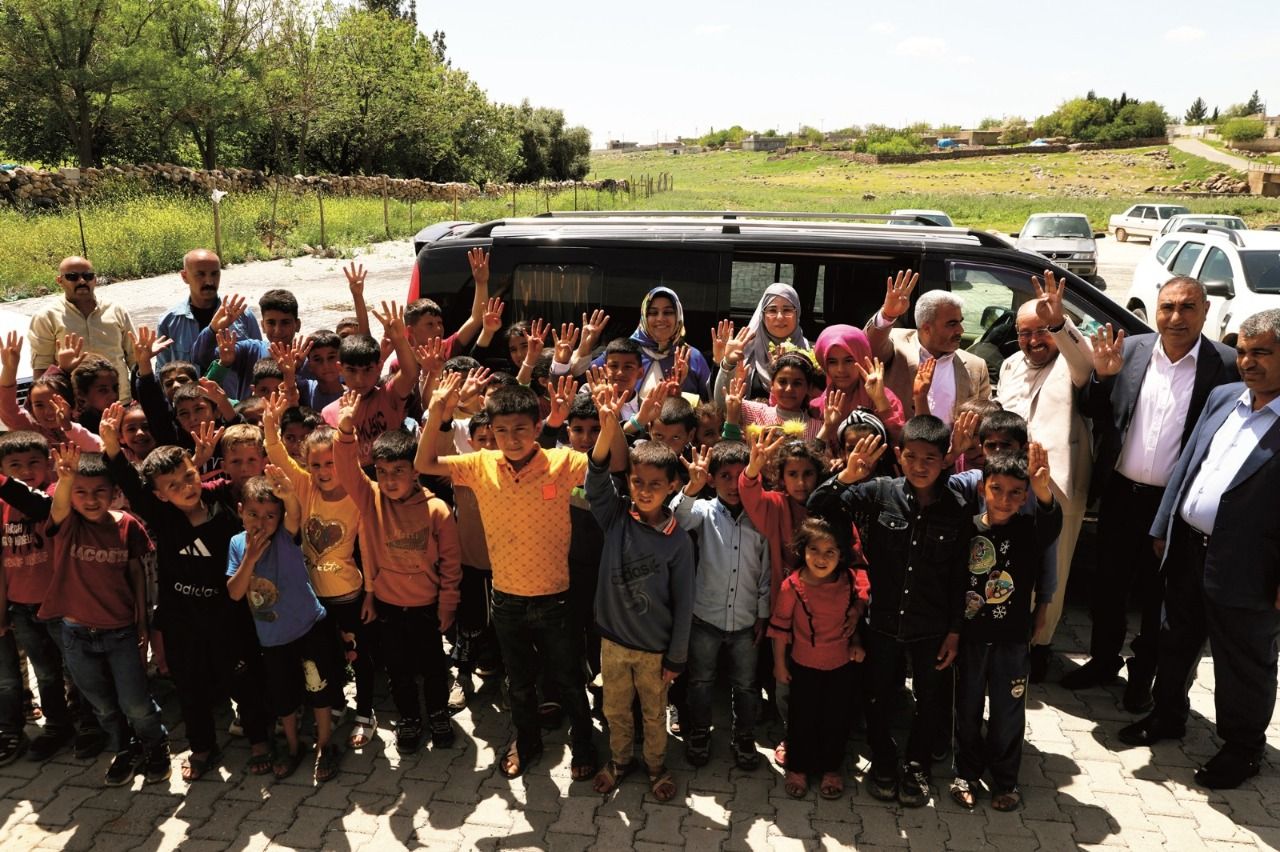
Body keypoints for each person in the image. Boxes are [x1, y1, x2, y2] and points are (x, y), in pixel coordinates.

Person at [1119, 309, 1280, 790]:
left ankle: (1242, 748)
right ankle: (1168, 716)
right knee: (1175, 640)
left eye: (1263, 354)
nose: (1248, 363)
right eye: (1245, 352)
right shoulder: (1224, 397)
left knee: (1243, 662)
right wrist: (1162, 525)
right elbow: (1188, 464)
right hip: (1187, 548)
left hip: (1251, 566)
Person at [1066, 277, 1237, 712]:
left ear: (1204, 311)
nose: (1176, 317)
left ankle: (1143, 677)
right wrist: (1102, 379)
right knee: (1108, 584)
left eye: (1187, 307)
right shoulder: (1133, 350)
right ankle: (1103, 661)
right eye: (1167, 307)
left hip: (1174, 504)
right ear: (1155, 310)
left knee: (1159, 594)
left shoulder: (1227, 365)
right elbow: (1095, 410)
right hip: (1122, 493)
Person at [415, 382, 598, 782]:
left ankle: (584, 742)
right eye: (501, 431)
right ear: (491, 432)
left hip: (558, 599)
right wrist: (436, 411)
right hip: (507, 599)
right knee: (518, 683)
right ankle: (527, 740)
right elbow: (425, 461)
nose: (511, 439)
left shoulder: (562, 462)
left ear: (538, 426)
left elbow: (608, 464)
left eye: (520, 429)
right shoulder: (480, 465)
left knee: (567, 680)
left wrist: (618, 417)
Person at [98, 406, 273, 781]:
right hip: (182, 619)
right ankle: (202, 747)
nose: (186, 487)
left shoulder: (223, 496)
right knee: (191, 687)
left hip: (229, 614)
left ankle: (259, 740)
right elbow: (130, 483)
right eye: (173, 486)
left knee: (244, 680)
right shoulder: (160, 514)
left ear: (199, 471)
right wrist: (112, 448)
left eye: (189, 476)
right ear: (159, 496)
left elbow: (247, 479)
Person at [807, 416, 969, 808]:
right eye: (911, 456)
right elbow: (817, 508)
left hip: (930, 624)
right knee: (877, 696)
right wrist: (846, 476)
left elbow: (961, 575)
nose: (919, 466)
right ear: (899, 455)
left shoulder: (958, 507)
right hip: (880, 621)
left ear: (945, 459)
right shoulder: (879, 492)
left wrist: (954, 630)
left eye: (930, 458)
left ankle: (916, 766)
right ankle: (882, 759)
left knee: (929, 701)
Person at [37, 446, 170, 787]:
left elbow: (138, 574)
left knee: (135, 701)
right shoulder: (68, 525)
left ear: (114, 493)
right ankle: (123, 748)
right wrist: (66, 479)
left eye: (100, 492)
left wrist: (142, 621)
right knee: (103, 705)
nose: (90, 499)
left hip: (121, 632)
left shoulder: (127, 526)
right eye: (81, 492)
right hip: (76, 634)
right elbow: (60, 505)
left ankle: (156, 746)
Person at [337, 392, 461, 754]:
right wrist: (346, 430)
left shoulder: (437, 510)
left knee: (434, 667)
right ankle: (409, 719)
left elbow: (451, 565)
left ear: (415, 470)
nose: (389, 480)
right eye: (382, 472)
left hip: (427, 607)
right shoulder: (370, 497)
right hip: (388, 606)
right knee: (398, 670)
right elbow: (346, 469)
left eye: (398, 472)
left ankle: (438, 714)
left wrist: (447, 606)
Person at [586, 388, 694, 800]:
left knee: (653, 715)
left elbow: (684, 604)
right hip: (613, 644)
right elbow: (595, 480)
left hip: (654, 650)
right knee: (615, 710)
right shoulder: (616, 518)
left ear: (672, 487)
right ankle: (618, 761)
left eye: (655, 484)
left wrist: (676, 657)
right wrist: (609, 423)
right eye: (637, 482)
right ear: (628, 482)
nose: (645, 491)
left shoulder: (678, 541)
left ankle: (656, 767)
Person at [262, 394, 377, 750]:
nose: (324, 472)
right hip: (314, 600)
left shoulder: (361, 493)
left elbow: (370, 548)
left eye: (331, 463)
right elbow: (278, 455)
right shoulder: (306, 486)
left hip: (349, 596)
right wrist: (269, 427)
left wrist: (371, 592)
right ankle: (339, 705)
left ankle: (366, 712)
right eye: (316, 465)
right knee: (328, 658)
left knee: (359, 657)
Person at [995, 271, 1094, 681]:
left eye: (1042, 332)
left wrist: (1059, 323)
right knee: (1013, 562)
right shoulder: (1011, 365)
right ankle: (1012, 637)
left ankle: (1042, 646)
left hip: (1058, 483)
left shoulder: (1073, 361)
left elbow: (1084, 360)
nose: (1033, 341)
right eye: (1024, 333)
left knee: (1054, 567)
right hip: (1012, 483)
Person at [951, 448, 1060, 812]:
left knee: (1007, 713)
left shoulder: (1029, 531)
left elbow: (1052, 523)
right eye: (997, 489)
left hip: (1013, 641)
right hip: (970, 639)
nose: (1005, 499)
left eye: (1016, 492)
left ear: (1026, 496)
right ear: (983, 488)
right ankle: (965, 772)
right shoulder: (966, 529)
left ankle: (1005, 779)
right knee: (966, 709)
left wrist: (1044, 488)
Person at [226, 472, 345, 784]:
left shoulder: (285, 535)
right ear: (240, 511)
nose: (261, 522)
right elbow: (235, 592)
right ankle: (293, 747)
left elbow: (295, 513)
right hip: (273, 639)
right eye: (253, 514)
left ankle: (324, 744)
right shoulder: (237, 545)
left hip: (309, 628)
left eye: (270, 516)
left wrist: (290, 494)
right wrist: (249, 559)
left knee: (318, 690)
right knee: (283, 697)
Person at [672, 440, 770, 771]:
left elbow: (767, 571)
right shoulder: (704, 511)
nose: (733, 484)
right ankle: (700, 733)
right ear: (713, 480)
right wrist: (692, 487)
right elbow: (674, 518)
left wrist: (763, 614)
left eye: (740, 476)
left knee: (745, 684)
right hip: (706, 618)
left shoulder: (761, 518)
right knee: (700, 681)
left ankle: (744, 737)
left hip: (745, 622)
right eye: (725, 476)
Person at [769, 516, 866, 800]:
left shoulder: (848, 582)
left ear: (841, 555)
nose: (821, 559)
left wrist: (857, 642)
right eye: (814, 550)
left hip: (841, 666)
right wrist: (778, 663)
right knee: (802, 720)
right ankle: (797, 767)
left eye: (830, 552)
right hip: (803, 667)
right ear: (802, 550)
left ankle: (831, 768)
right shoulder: (792, 586)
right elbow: (780, 628)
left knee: (835, 719)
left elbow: (854, 624)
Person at [864, 270, 991, 426]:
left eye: (960, 322)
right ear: (926, 328)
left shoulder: (975, 366)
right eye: (952, 324)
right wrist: (887, 315)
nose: (960, 330)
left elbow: (986, 421)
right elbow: (868, 348)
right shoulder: (897, 344)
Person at [321, 304, 420, 469]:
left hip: (393, 473)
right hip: (356, 482)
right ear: (340, 369)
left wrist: (399, 339)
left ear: (380, 367)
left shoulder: (388, 396)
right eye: (351, 371)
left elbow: (410, 374)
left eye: (367, 370)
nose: (360, 379)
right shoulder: (329, 413)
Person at [28, 256, 137, 401]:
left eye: (88, 276)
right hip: (75, 408)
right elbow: (41, 369)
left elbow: (135, 358)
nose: (82, 281)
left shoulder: (116, 310)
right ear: (60, 281)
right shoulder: (46, 317)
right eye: (72, 277)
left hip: (120, 402)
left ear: (95, 280)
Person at [155, 249, 262, 369]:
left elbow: (259, 364)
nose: (209, 281)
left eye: (214, 274)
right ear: (185, 277)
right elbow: (163, 373)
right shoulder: (169, 322)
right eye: (200, 274)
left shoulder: (242, 316)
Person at [811, 324, 904, 441]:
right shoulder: (815, 406)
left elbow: (899, 444)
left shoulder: (886, 398)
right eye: (832, 362)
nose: (841, 369)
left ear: (861, 358)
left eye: (849, 360)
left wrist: (881, 402)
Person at [618, 287, 711, 401]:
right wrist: (588, 350)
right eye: (653, 313)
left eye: (668, 312)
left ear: (678, 316)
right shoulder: (626, 352)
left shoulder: (692, 356)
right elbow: (593, 380)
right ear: (644, 317)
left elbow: (711, 405)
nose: (660, 318)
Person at [740, 284, 810, 400]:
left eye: (787, 310)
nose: (780, 317)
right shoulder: (745, 351)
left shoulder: (811, 353)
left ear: (797, 313)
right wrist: (725, 363)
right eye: (772, 310)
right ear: (762, 315)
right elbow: (722, 403)